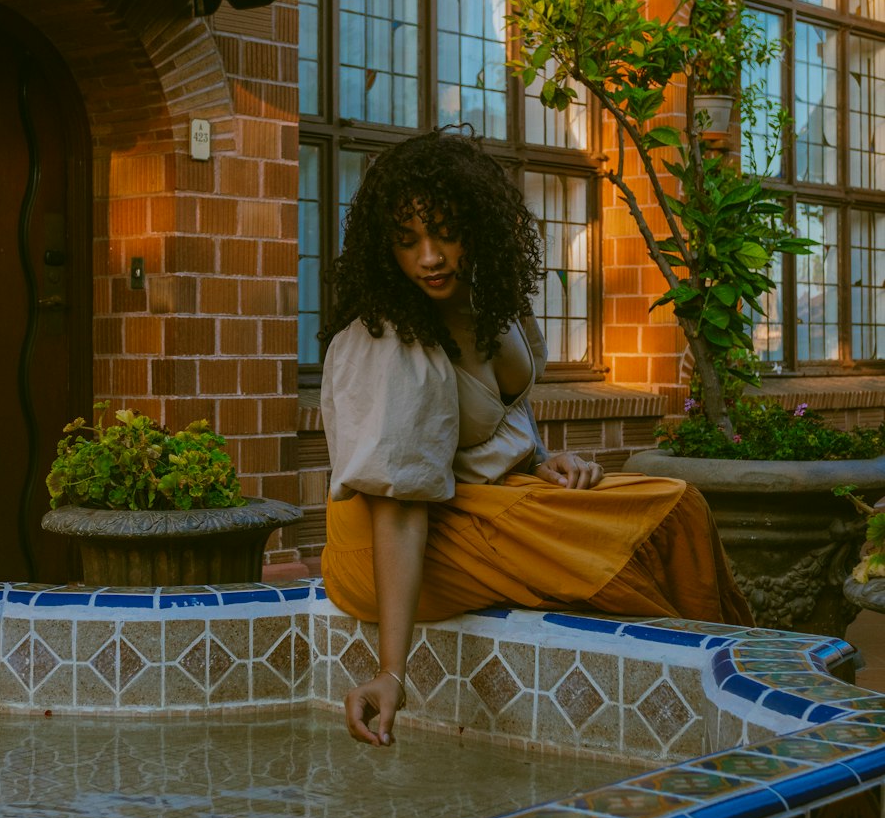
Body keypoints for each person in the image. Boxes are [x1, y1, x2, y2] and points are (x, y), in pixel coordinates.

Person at [319, 130, 752, 748]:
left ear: (480, 226)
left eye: (445, 232)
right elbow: (397, 508)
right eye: (408, 241)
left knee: (681, 507)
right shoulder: (389, 341)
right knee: (658, 520)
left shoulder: (493, 302)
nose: (431, 257)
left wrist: (545, 461)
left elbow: (501, 421)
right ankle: (710, 716)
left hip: (484, 506)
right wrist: (392, 671)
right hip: (391, 539)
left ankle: (734, 694)